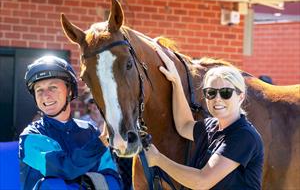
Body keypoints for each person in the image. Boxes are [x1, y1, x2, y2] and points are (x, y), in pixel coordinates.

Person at [144, 50, 264, 189]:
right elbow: (184, 125)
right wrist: (176, 81)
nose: (217, 99)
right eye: (211, 93)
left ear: (240, 97)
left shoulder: (244, 136)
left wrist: (158, 159)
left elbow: (202, 181)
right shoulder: (211, 126)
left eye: (225, 93)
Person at [19, 56, 122, 190]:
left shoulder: (90, 130)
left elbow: (112, 178)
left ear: (70, 91)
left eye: (53, 87)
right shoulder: (30, 136)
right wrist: (101, 143)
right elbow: (64, 168)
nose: (45, 95)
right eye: (39, 90)